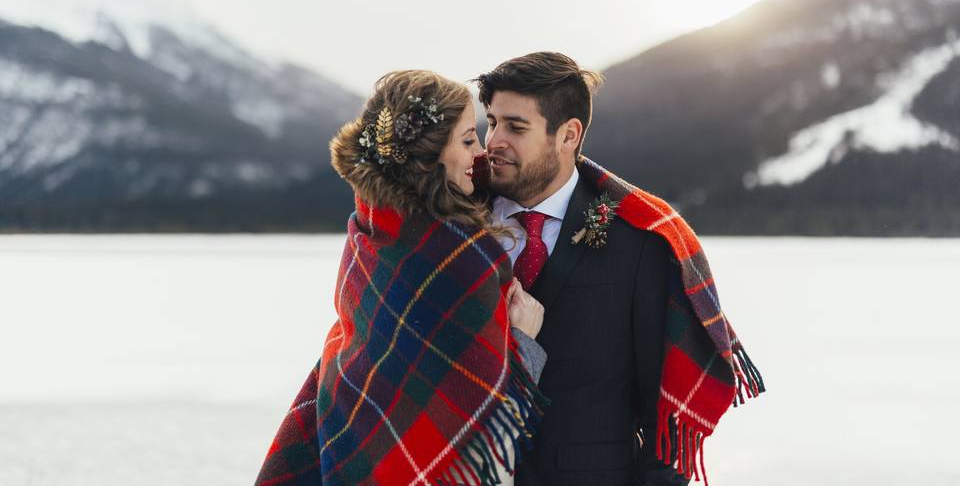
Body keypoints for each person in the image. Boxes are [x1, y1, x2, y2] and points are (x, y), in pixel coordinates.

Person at [474, 52, 764, 486]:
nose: (494, 140)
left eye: (516, 127)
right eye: (492, 122)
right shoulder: (453, 223)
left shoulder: (640, 240)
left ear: (568, 135)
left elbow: (660, 418)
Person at [255, 70, 549, 486]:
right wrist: (523, 341)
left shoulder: (371, 228)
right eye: (467, 140)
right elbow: (487, 435)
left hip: (352, 451)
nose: (479, 153)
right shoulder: (459, 258)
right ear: (430, 155)